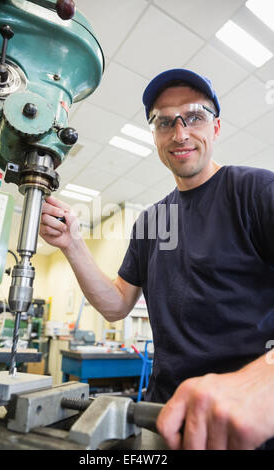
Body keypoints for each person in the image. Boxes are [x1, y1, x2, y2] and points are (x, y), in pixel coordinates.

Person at [40, 68, 274, 450]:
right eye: (165, 122)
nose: (180, 133)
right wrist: (72, 244)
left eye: (194, 116)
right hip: (163, 418)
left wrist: (258, 382)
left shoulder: (255, 191)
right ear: (155, 136)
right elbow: (116, 305)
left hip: (242, 430)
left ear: (215, 128)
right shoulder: (153, 220)